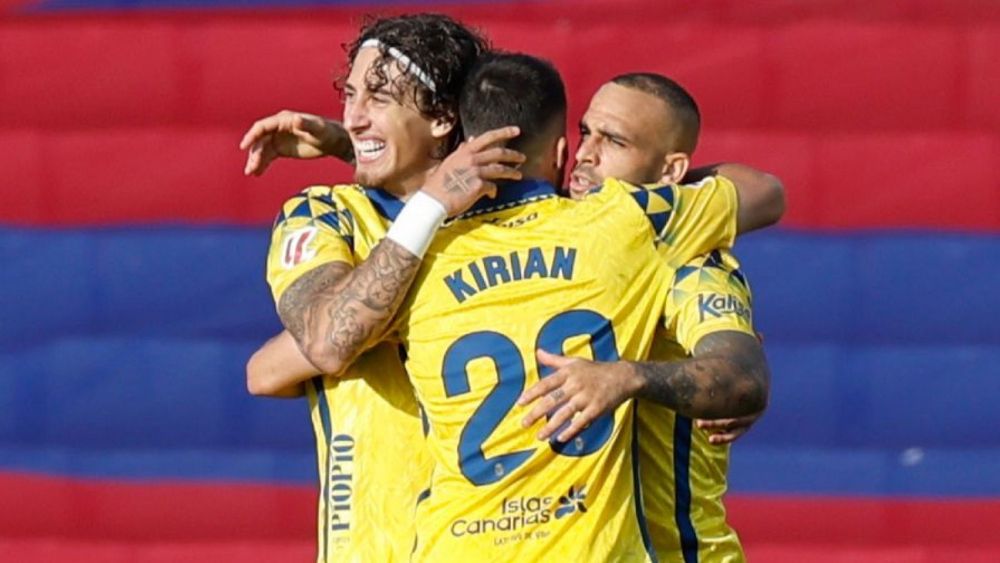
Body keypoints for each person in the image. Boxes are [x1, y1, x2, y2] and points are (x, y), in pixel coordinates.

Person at [255, 51, 769, 560]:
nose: (588, 155)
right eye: (585, 133)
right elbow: (273, 367)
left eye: (612, 141)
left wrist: (659, 378)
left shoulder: (433, 258)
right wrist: (363, 148)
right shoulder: (632, 227)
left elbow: (741, 377)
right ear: (561, 148)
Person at [246, 14, 525, 562]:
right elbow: (328, 340)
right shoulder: (325, 214)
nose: (351, 117)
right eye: (349, 96)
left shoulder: (522, 223)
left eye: (377, 98)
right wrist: (425, 198)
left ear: (443, 115)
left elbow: (280, 364)